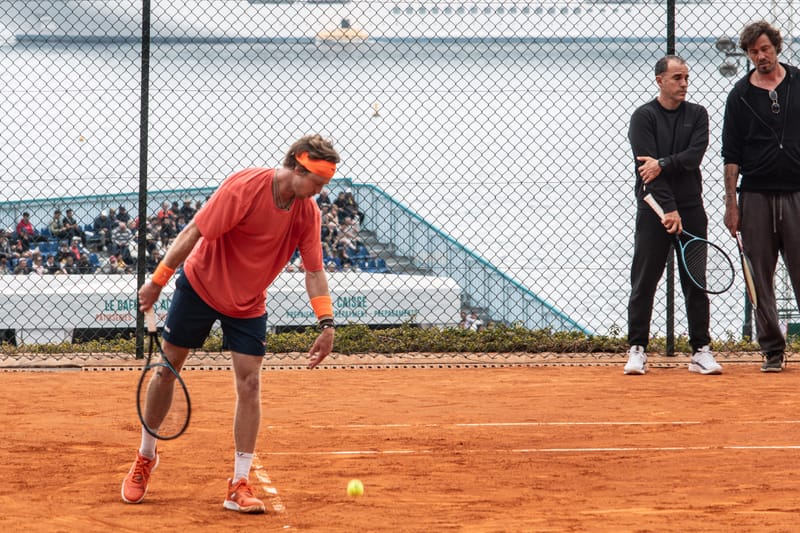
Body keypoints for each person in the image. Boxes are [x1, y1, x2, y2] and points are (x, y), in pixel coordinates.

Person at [122, 134, 341, 513]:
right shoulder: (245, 188)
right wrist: (157, 281)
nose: (320, 192)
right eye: (317, 183)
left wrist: (327, 323)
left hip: (248, 302)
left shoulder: (308, 213)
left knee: (250, 382)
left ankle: (238, 482)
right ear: (297, 166)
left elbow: (314, 271)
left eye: (324, 185)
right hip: (200, 287)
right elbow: (193, 231)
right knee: (166, 371)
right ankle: (145, 456)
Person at [624, 55, 721, 376]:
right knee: (644, 282)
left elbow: (693, 157)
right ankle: (637, 348)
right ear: (660, 81)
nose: (683, 84)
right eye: (677, 78)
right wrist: (668, 209)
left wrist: (663, 162)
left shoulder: (698, 114)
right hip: (654, 210)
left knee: (696, 282)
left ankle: (700, 351)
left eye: (686, 78)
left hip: (692, 211)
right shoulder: (643, 117)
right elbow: (646, 173)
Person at [722, 21, 800, 373]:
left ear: (777, 47)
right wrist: (731, 205)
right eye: (754, 52)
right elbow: (731, 154)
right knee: (759, 276)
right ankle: (772, 349)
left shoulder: (798, 82)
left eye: (765, 49)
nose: (760, 56)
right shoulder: (738, 95)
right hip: (754, 196)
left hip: (796, 193)